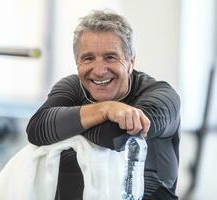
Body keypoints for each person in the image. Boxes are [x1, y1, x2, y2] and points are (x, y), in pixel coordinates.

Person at [26, 10, 180, 200]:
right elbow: (37, 128)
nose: (99, 71)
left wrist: (68, 126)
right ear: (77, 63)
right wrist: (106, 109)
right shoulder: (73, 87)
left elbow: (114, 137)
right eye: (88, 58)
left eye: (110, 57)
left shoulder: (161, 97)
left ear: (131, 62)